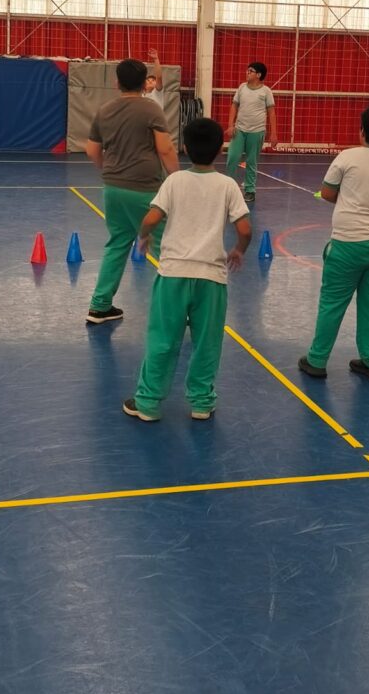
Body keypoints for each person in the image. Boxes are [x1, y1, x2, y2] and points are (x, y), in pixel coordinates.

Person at [123, 117, 251, 422]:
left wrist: (144, 236)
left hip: (173, 276)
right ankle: (202, 403)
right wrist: (238, 250)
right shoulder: (228, 185)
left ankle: (148, 403)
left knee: (163, 340)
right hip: (211, 279)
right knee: (207, 343)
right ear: (220, 149)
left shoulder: (174, 181)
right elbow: (245, 229)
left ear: (185, 148)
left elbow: (152, 218)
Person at [297, 105, 369, 382]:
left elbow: (327, 193)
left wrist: (350, 200)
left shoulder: (347, 157)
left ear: (362, 132)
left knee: (333, 301)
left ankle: (317, 360)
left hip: (349, 243)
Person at [85, 58, 179, 324]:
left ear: (117, 82)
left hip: (113, 189)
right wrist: (177, 179)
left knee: (117, 243)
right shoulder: (151, 109)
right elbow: (165, 149)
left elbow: (92, 150)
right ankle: (175, 308)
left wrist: (109, 170)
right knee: (165, 246)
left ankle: (100, 306)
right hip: (145, 189)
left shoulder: (104, 110)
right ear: (143, 83)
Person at [225, 62, 278, 204]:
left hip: (257, 131)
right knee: (232, 157)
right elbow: (234, 106)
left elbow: (271, 112)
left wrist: (274, 133)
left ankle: (250, 190)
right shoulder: (242, 87)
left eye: (251, 71)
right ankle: (229, 189)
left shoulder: (266, 91)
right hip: (239, 130)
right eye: (247, 70)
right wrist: (230, 125)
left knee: (251, 161)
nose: (247, 72)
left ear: (259, 75)